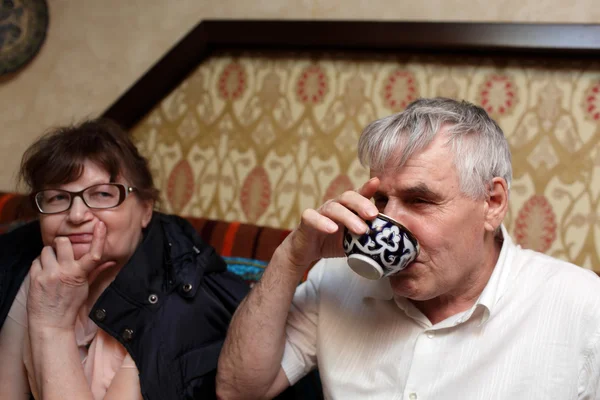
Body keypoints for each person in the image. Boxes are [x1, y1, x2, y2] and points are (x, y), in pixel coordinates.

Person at [216, 97, 600, 399]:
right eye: (381, 200)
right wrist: (291, 257)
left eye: (419, 200)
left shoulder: (580, 306)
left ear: (493, 203)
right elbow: (238, 390)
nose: (388, 222)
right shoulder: (338, 279)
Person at [0, 119, 249, 399]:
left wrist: (52, 326)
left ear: (145, 210)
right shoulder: (36, 271)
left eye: (103, 194)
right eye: (58, 198)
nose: (77, 215)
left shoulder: (178, 307)